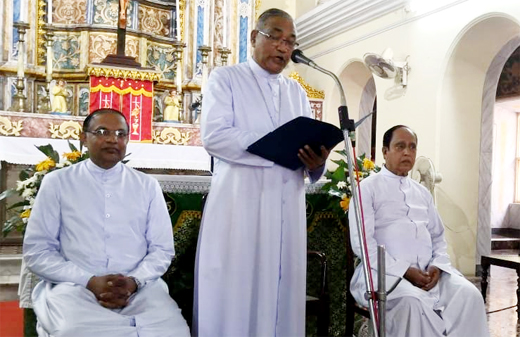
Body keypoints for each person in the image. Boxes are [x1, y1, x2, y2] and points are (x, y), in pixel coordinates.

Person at [193, 8, 331, 337]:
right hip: (240, 205)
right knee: (237, 283)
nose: (284, 48)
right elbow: (215, 135)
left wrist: (316, 161)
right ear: (254, 37)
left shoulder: (296, 92)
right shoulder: (225, 79)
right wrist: (275, 148)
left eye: (290, 42)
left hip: (286, 206)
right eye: (276, 38)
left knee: (281, 286)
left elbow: (307, 149)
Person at [23, 108, 190, 337]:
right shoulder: (57, 183)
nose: (113, 139)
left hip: (140, 290)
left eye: (121, 134)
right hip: (75, 287)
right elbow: (37, 251)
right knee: (74, 332)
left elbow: (161, 250)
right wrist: (89, 280)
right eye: (102, 131)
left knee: (174, 331)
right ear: (84, 138)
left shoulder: (146, 186)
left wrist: (133, 282)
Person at [349, 125, 489, 337]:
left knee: (470, 296)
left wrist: (437, 266)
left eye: (412, 147)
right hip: (383, 274)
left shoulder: (422, 193)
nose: (407, 152)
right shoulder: (367, 189)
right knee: (413, 304)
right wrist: (405, 270)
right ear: (385, 152)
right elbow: (363, 245)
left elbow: (438, 238)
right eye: (400, 146)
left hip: (427, 274)